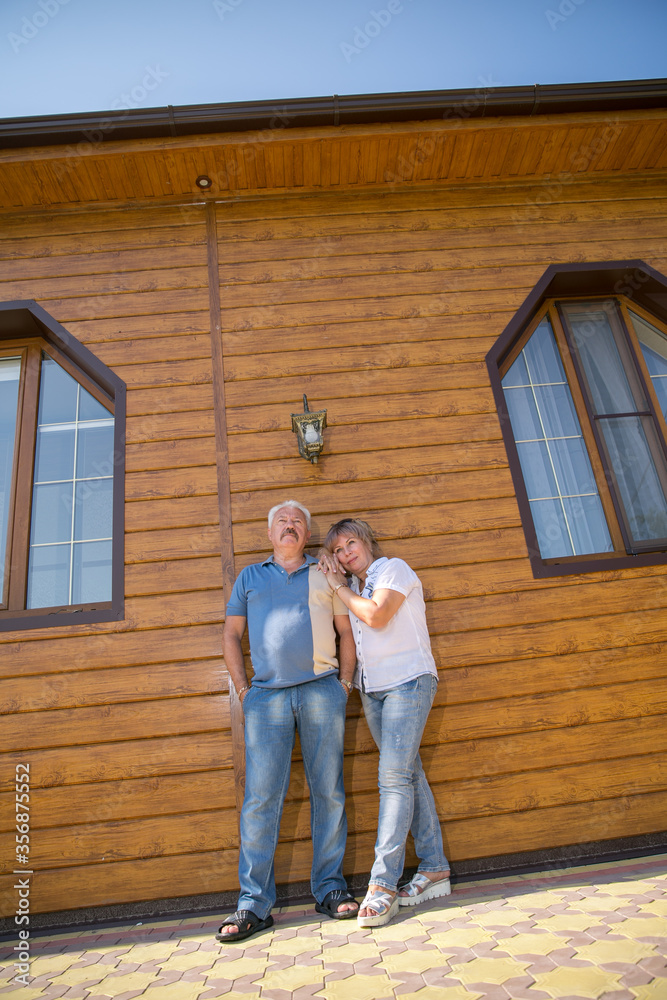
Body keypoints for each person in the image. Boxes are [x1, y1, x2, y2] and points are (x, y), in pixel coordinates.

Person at [217, 501, 359, 942]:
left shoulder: (325, 572)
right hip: (266, 699)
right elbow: (230, 636)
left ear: (307, 533)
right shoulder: (249, 578)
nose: (290, 526)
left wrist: (344, 685)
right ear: (269, 533)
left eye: (298, 521)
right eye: (282, 520)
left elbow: (346, 632)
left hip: (321, 690)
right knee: (260, 799)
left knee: (328, 791)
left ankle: (330, 889)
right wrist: (244, 693)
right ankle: (253, 905)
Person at [319, 518, 450, 928]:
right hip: (373, 691)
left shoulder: (394, 568)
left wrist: (337, 585)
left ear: (367, 542)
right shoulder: (354, 589)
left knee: (393, 778)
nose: (345, 553)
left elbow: (377, 617)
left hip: (408, 683)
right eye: (337, 550)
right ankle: (433, 867)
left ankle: (382, 885)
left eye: (350, 543)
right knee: (409, 774)